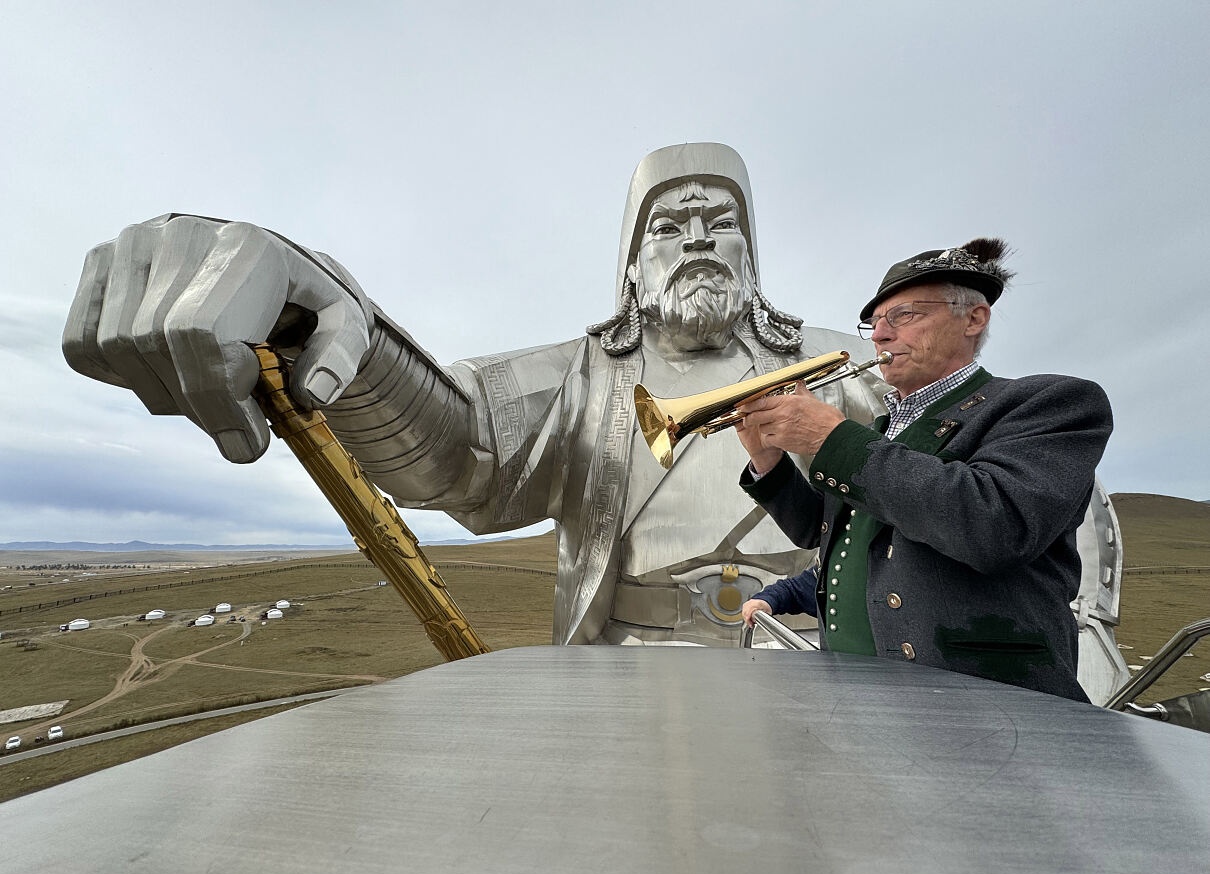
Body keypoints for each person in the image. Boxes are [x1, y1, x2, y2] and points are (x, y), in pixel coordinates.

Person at [61, 143, 888, 647]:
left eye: (722, 219)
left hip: (811, 645)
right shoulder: (583, 373)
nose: (700, 236)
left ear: (753, 250)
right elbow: (458, 454)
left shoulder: (846, 364)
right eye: (668, 224)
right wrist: (331, 322)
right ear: (632, 267)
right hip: (633, 664)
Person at [734, 238, 1112, 701]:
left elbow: (995, 525)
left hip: (984, 702)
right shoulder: (876, 430)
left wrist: (832, 441)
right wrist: (766, 460)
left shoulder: (1047, 404)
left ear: (974, 318)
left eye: (904, 316)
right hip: (855, 696)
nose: (879, 335)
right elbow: (826, 532)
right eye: (874, 323)